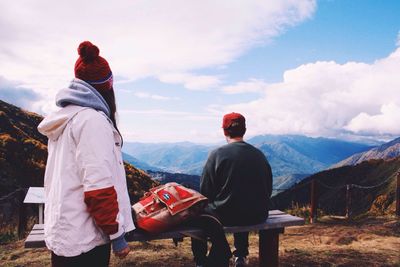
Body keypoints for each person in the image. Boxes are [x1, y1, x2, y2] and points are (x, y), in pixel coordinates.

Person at [38, 41, 135, 267]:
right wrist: (116, 235)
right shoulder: (92, 121)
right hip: (86, 238)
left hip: (66, 231)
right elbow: (98, 186)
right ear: (107, 86)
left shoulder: (66, 118)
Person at [191, 112, 273, 267]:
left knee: (198, 211)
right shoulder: (259, 155)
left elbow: (205, 192)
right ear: (244, 130)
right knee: (242, 202)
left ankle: (202, 260)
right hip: (258, 214)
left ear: (224, 131)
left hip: (226, 216)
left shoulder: (217, 155)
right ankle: (241, 255)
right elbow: (267, 189)